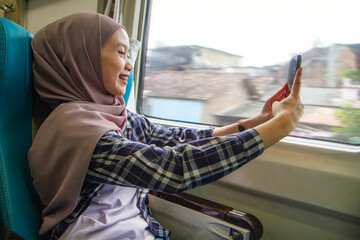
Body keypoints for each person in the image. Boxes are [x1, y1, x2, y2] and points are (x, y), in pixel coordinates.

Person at [28, 12, 304, 240]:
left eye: (129, 55)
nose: (129, 66)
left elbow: (176, 138)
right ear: (81, 57)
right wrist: (279, 126)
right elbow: (173, 169)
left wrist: (256, 121)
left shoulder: (113, 113)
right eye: (121, 53)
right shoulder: (73, 127)